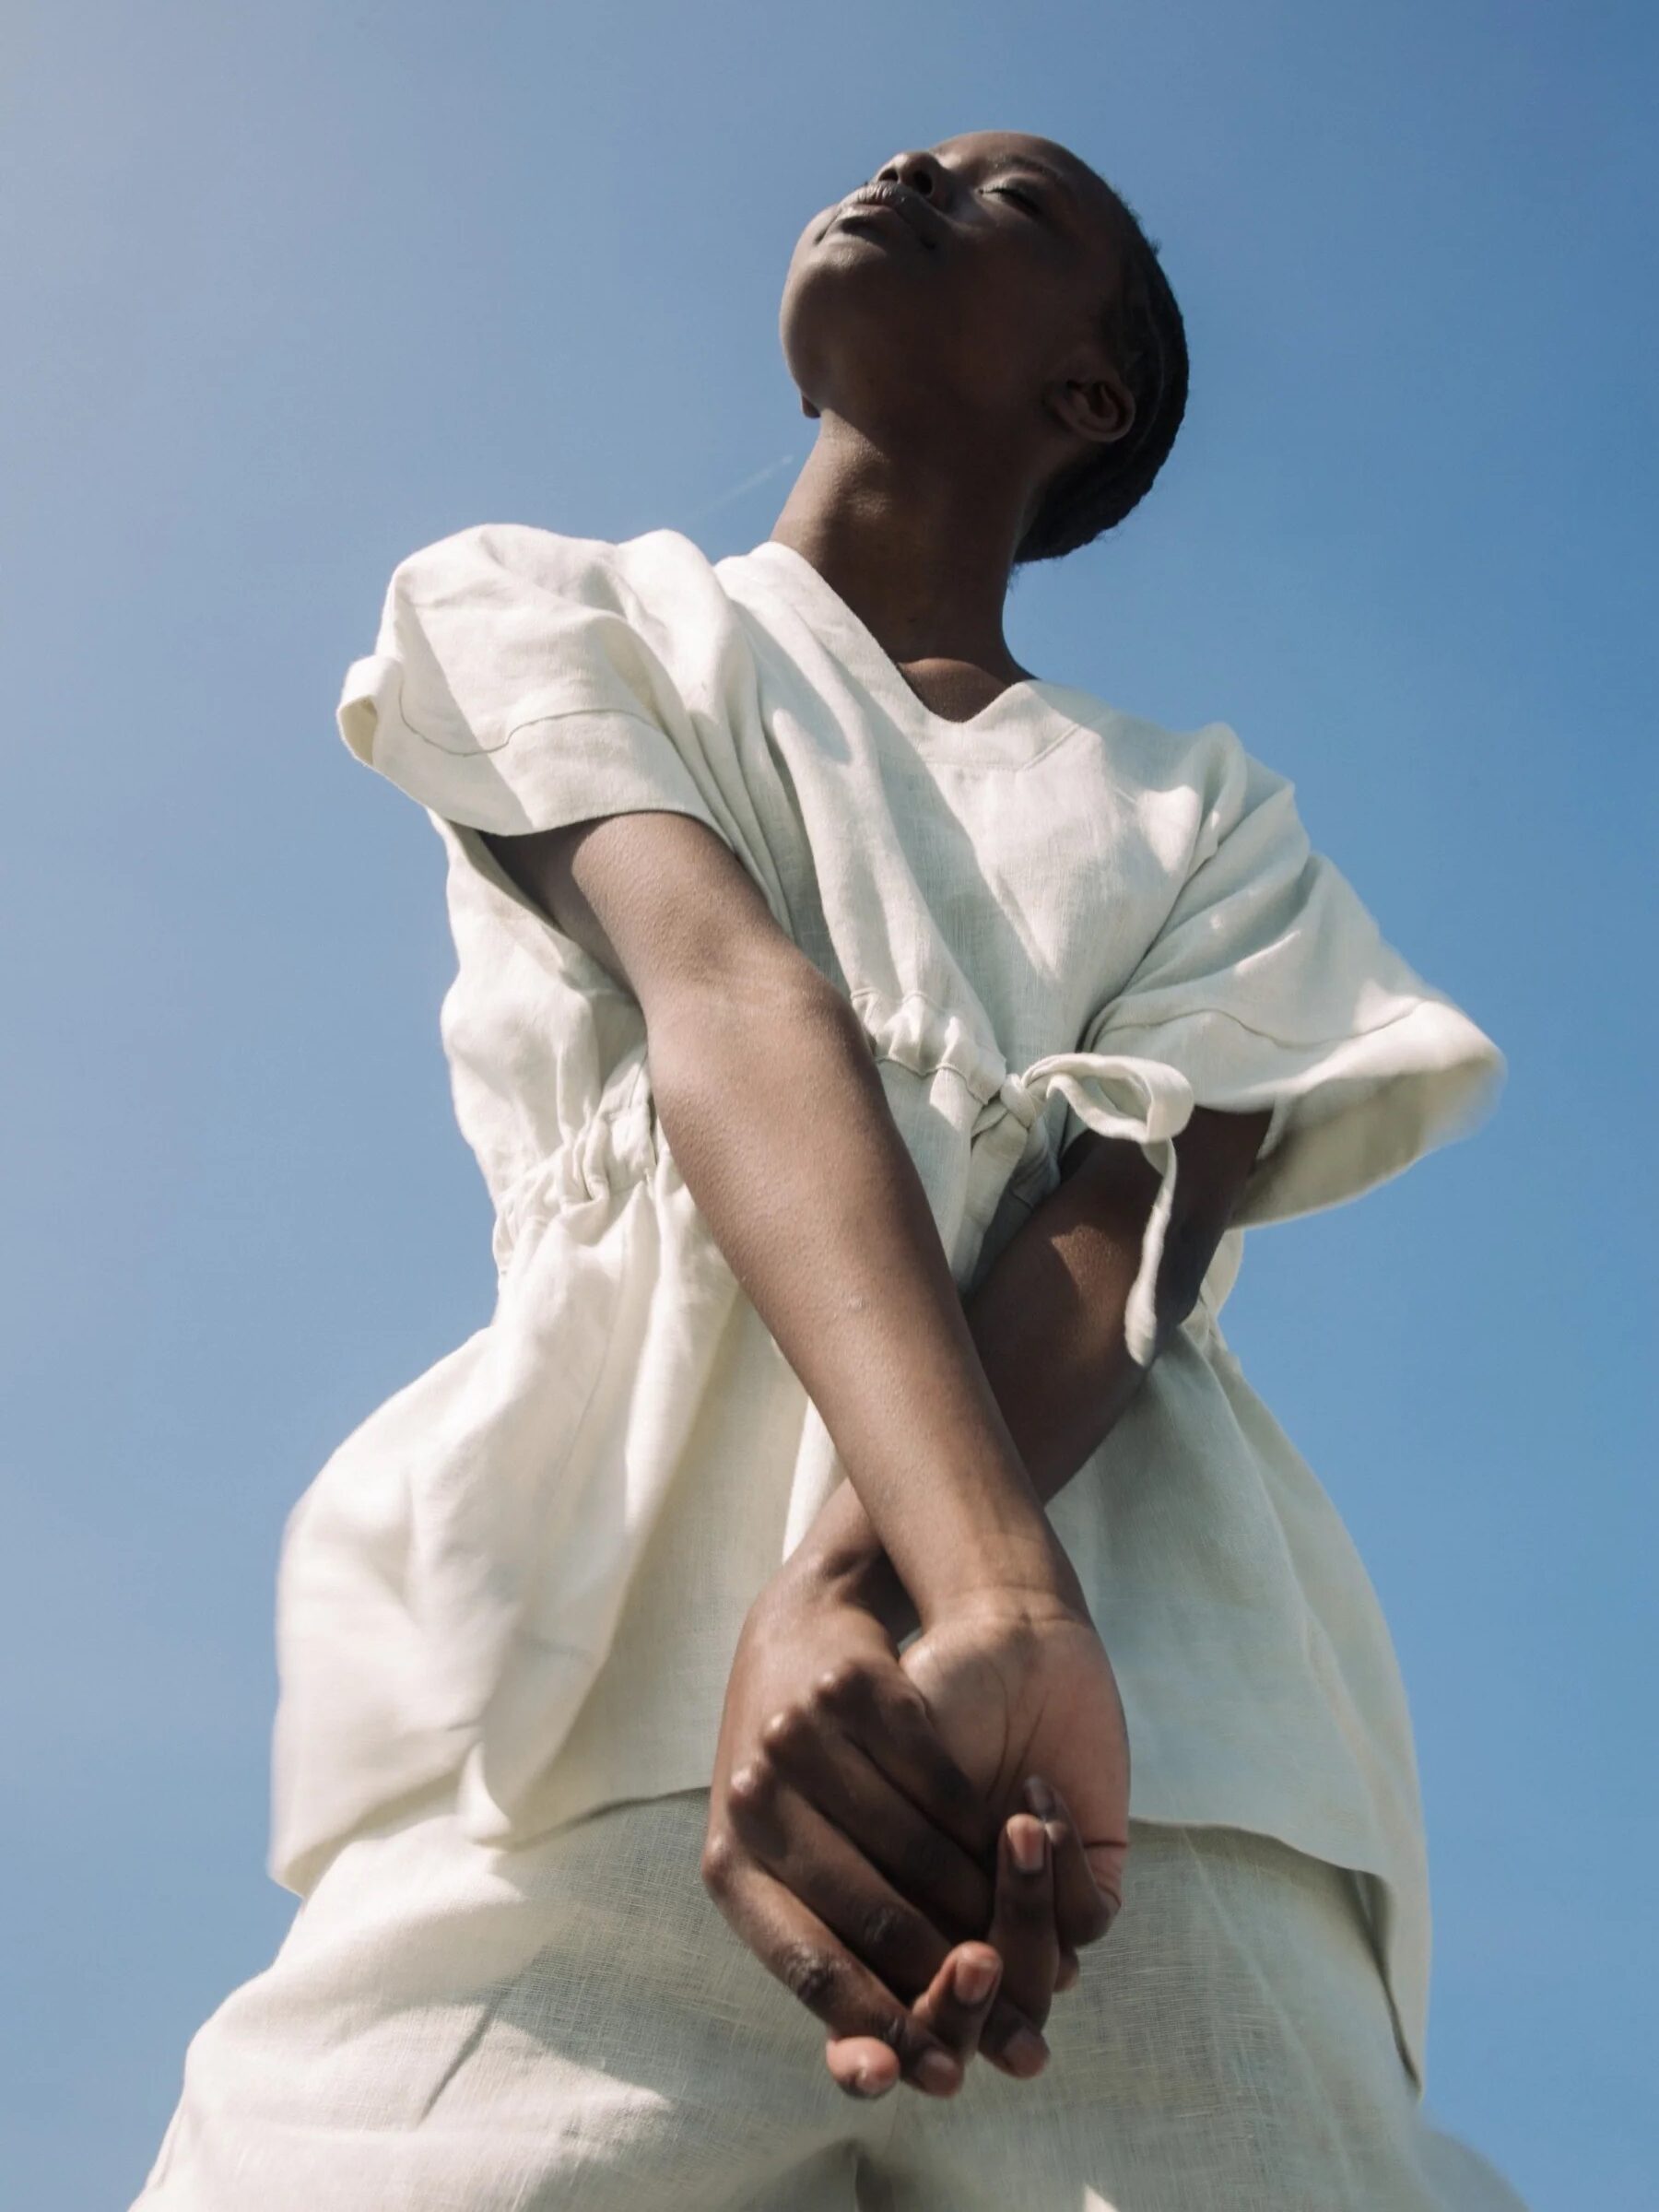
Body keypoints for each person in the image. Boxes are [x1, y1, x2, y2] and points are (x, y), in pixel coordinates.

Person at [133, 131, 1528, 2210]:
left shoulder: (1212, 815)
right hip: (601, 1705)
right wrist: (979, 1585)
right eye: (921, 160)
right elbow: (732, 998)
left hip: (1143, 1770)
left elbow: (1130, 1227)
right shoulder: (550, 605)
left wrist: (894, 1596)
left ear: (1093, 391)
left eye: (1012, 197)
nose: (908, 169)